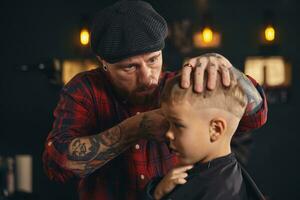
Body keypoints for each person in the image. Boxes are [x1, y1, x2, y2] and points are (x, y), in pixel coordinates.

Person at [42, 1, 267, 199]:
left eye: (153, 60)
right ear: (104, 63)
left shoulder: (182, 88)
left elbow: (255, 117)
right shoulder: (85, 90)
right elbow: (57, 165)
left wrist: (228, 68)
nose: (147, 77)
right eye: (130, 67)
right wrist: (135, 128)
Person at [143, 73, 265, 200]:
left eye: (178, 125)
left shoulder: (221, 193)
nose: (168, 133)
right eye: (168, 124)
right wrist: (157, 192)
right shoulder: (207, 173)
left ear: (215, 129)